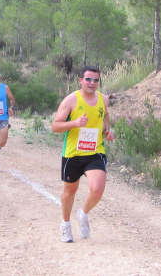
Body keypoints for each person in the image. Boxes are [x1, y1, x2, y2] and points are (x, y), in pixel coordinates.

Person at [51, 65, 114, 242]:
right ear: (81, 80)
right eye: (88, 79)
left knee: (97, 188)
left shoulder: (103, 99)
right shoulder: (71, 100)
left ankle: (83, 213)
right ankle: (65, 224)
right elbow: (55, 126)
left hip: (95, 151)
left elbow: (105, 118)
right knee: (70, 191)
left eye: (96, 80)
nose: (92, 83)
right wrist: (75, 123)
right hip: (73, 154)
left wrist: (108, 130)